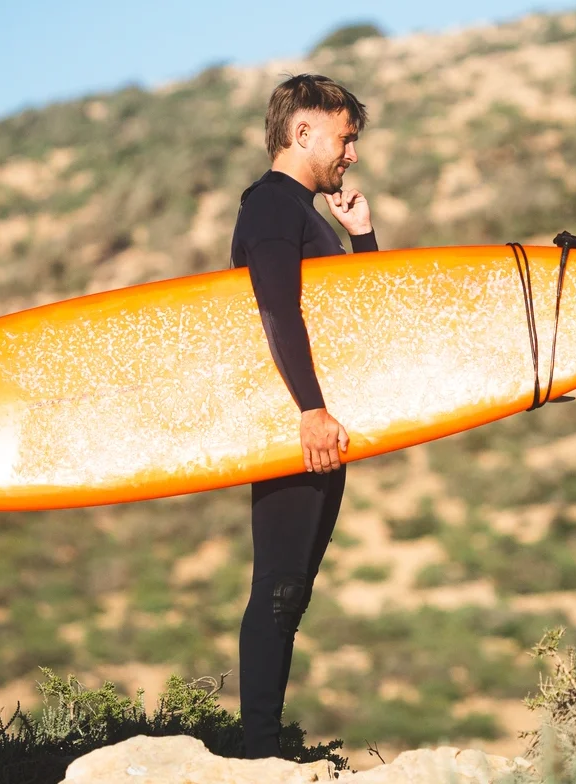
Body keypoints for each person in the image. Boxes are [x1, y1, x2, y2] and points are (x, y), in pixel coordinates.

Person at [229, 73, 376, 760]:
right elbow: (275, 310)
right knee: (278, 588)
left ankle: (266, 743)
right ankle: (259, 750)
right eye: (345, 138)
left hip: (319, 425)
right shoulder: (268, 207)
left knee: (294, 592)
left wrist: (363, 240)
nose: (351, 153)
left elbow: (356, 321)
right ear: (303, 130)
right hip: (296, 423)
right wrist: (312, 410)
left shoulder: (307, 214)